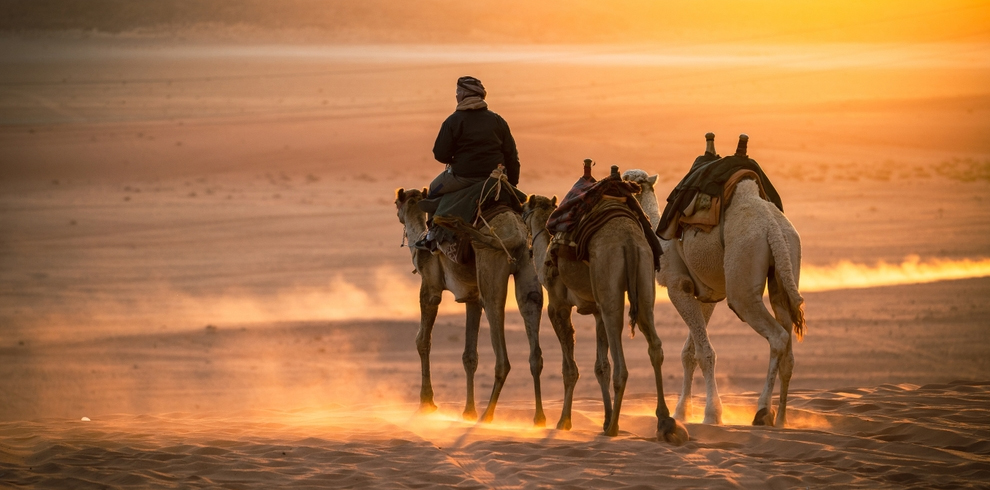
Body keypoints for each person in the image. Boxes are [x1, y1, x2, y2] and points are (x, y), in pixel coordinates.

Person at [415, 76, 521, 249]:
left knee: (433, 190)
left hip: (463, 177)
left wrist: (456, 160)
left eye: (458, 92)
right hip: (495, 178)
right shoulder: (498, 120)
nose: (456, 96)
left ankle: (431, 236)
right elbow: (511, 156)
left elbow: (440, 154)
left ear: (464, 94)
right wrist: (512, 184)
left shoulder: (453, 121)